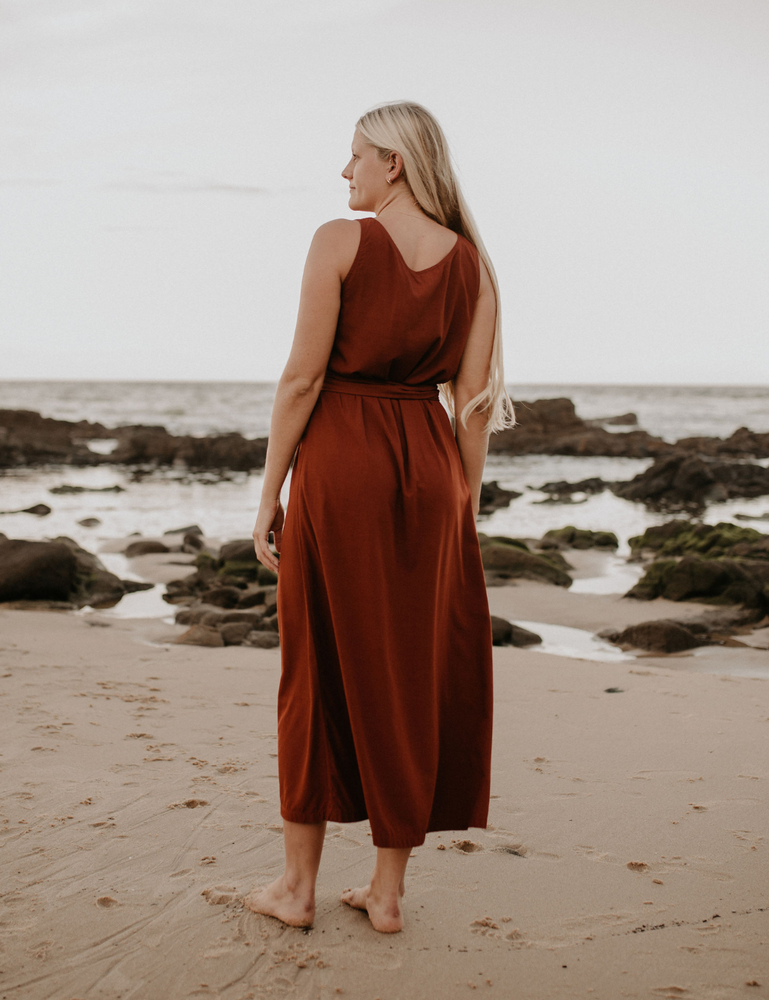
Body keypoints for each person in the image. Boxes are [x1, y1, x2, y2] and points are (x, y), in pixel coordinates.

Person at [247, 100, 514, 934]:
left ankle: (296, 890)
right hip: (429, 469)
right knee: (410, 669)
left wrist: (269, 494)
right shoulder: (473, 264)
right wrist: (460, 499)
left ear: (393, 163)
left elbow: (300, 380)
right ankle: (388, 893)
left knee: (316, 667)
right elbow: (471, 405)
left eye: (356, 155)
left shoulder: (339, 241)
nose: (345, 171)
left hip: (343, 463)